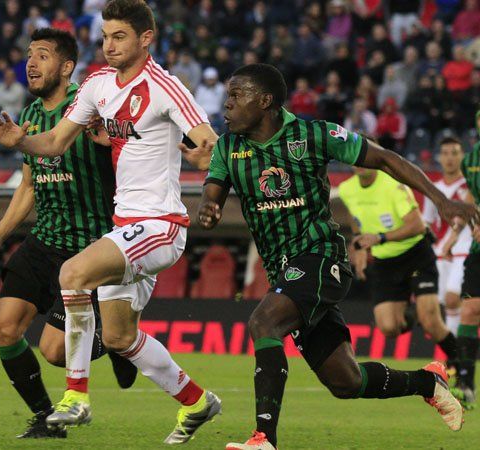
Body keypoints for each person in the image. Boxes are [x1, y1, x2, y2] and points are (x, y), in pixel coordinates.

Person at [196, 64, 473, 450]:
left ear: (265, 102)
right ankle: (428, 382)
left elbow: (386, 159)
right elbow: (212, 194)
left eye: (236, 96)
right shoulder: (228, 147)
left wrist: (441, 200)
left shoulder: (314, 134)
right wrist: (208, 210)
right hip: (284, 271)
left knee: (263, 321)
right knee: (346, 382)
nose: (226, 106)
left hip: (321, 258)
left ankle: (263, 439)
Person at [0, 1, 222, 442]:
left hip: (161, 223)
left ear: (145, 38)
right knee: (118, 338)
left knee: (72, 273)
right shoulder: (96, 85)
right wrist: (20, 140)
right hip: (123, 227)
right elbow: (54, 143)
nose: (108, 45)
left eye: (119, 37)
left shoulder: (167, 88)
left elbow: (210, 143)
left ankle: (75, 397)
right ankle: (197, 401)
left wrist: (205, 163)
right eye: (105, 36)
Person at [0, 27, 137, 439]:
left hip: (89, 250)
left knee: (54, 352)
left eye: (42, 55)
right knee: (4, 327)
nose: (31, 62)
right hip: (44, 241)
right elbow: (28, 187)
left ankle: (118, 342)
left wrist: (109, 143)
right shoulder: (27, 117)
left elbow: (131, 162)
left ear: (66, 67)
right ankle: (47, 417)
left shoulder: (95, 108)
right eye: (29, 54)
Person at [340, 166, 459, 370]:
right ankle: (414, 313)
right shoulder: (346, 189)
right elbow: (354, 218)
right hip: (385, 263)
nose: (360, 165)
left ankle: (462, 364)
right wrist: (358, 246)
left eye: (364, 160)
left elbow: (418, 226)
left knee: (431, 322)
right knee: (388, 327)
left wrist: (380, 237)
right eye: (356, 161)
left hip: (416, 255)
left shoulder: (394, 186)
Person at [423, 137, 472, 336]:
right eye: (445, 153)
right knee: (446, 305)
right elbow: (427, 221)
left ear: (462, 156)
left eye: (454, 153)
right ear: (439, 158)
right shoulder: (433, 189)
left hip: (463, 248)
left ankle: (457, 354)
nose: (450, 158)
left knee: (454, 298)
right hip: (440, 253)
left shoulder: (470, 186)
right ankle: (455, 352)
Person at [453, 109, 480, 410]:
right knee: (470, 310)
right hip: (478, 250)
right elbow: (474, 199)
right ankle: (466, 383)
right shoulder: (470, 161)